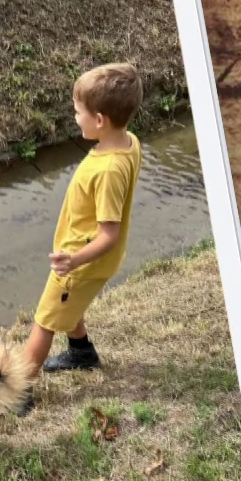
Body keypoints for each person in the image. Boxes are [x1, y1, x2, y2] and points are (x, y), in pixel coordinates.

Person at [23, 62, 146, 374]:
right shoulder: (128, 141)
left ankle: (19, 387)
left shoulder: (109, 169)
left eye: (78, 112)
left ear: (100, 120)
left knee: (45, 320)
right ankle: (82, 353)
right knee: (69, 304)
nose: (75, 117)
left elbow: (109, 234)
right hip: (81, 252)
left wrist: (74, 261)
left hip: (82, 257)